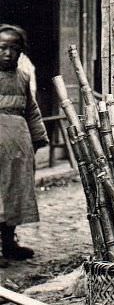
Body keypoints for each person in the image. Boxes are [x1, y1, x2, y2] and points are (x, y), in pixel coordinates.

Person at [0, 24, 48, 265]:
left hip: (18, 145)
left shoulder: (23, 77)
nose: (8, 53)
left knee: (14, 194)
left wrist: (38, 138)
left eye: (14, 48)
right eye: (3, 48)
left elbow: (31, 110)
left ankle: (9, 244)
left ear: (21, 52)